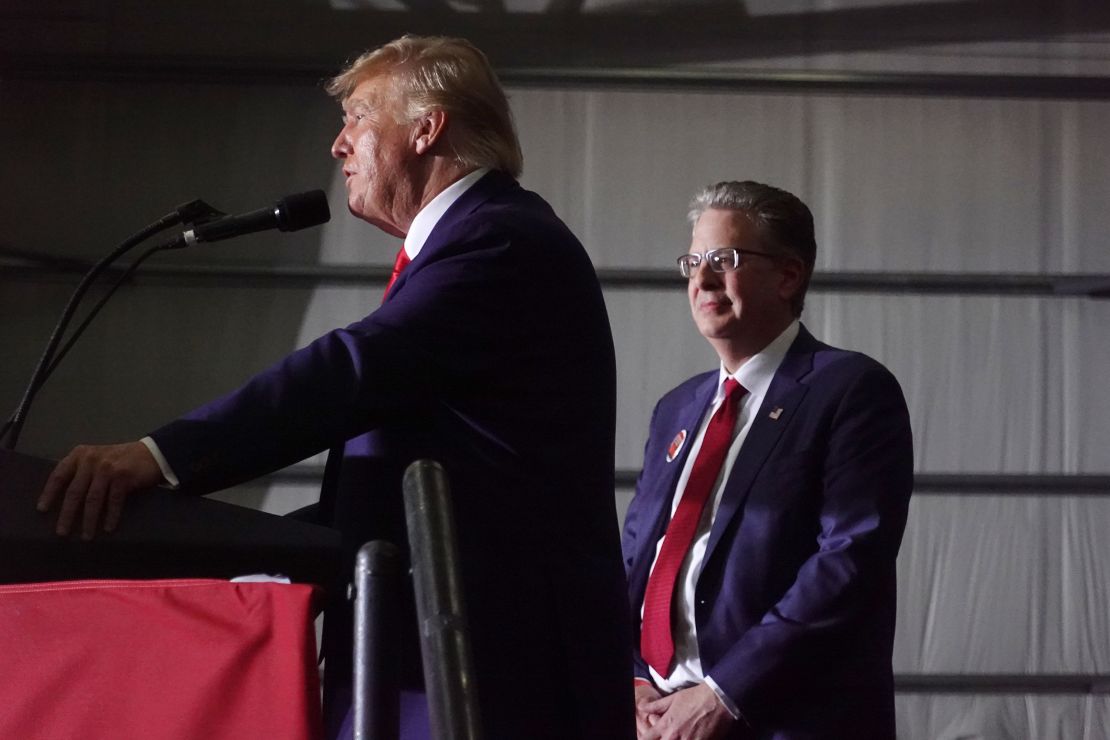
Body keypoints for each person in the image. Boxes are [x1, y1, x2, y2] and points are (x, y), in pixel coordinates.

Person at [37, 35, 633, 740]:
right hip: (430, 654)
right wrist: (208, 556)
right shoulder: (468, 247)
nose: (337, 144)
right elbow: (395, 485)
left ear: (427, 127)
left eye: (356, 116)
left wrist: (161, 457)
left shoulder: (504, 240)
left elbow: (355, 367)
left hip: (493, 668)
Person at [622, 181, 913, 739]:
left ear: (788, 275)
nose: (701, 279)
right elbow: (639, 557)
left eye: (724, 260)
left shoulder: (850, 390)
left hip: (778, 721)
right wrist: (633, 681)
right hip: (661, 721)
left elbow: (848, 563)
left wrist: (724, 694)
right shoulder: (677, 408)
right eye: (693, 261)